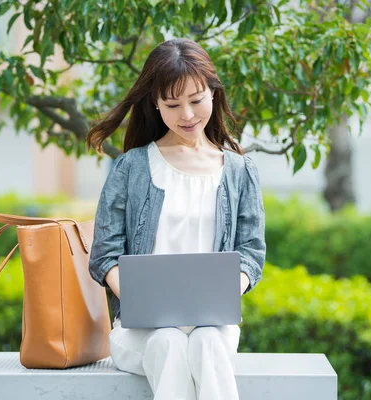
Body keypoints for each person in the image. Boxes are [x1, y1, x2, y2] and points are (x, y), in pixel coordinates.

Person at [87, 38, 266, 400]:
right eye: (172, 104)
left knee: (207, 342)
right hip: (141, 330)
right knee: (168, 340)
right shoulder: (130, 168)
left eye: (196, 100)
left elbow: (251, 251)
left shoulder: (239, 170)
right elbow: (103, 255)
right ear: (155, 103)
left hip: (213, 325)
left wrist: (225, 292)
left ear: (214, 93)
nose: (187, 115)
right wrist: (142, 298)